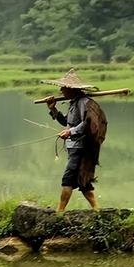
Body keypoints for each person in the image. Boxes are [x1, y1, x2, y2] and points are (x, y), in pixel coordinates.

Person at [42, 69, 107, 212]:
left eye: (63, 87)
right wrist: (53, 110)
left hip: (80, 147)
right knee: (83, 183)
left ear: (71, 89)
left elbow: (87, 123)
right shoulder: (74, 103)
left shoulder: (85, 102)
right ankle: (97, 211)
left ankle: (59, 212)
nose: (61, 90)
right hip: (73, 147)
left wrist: (70, 132)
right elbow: (67, 121)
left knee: (67, 178)